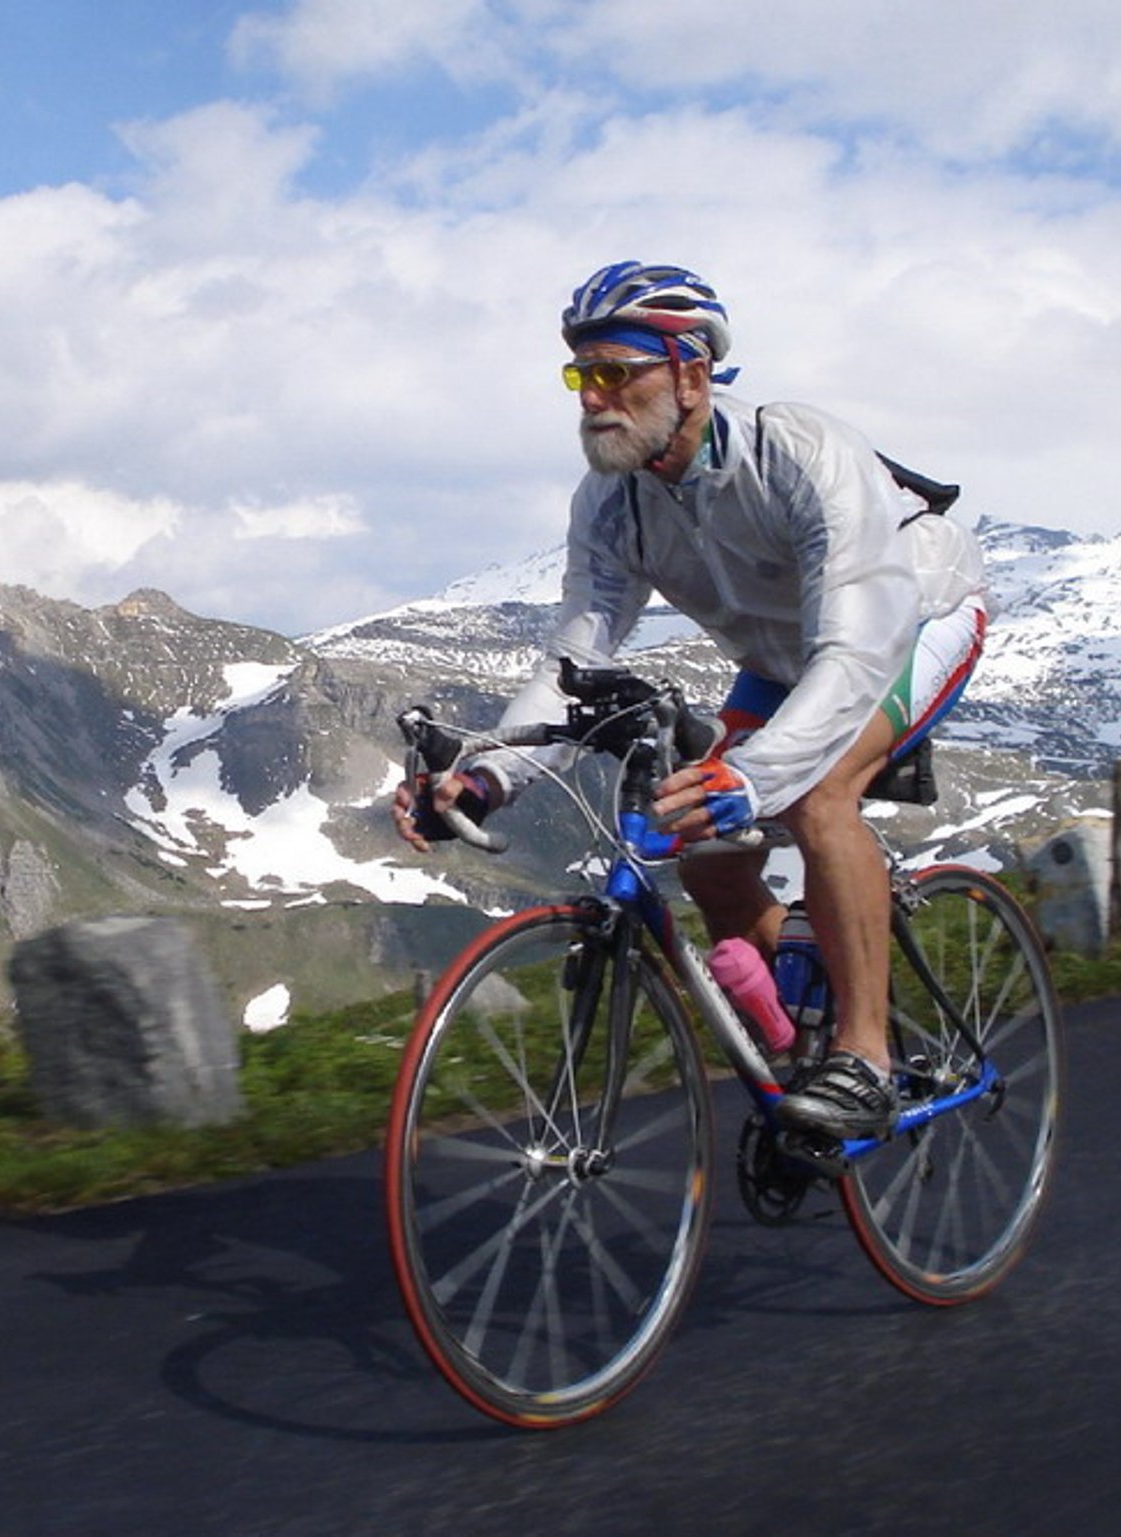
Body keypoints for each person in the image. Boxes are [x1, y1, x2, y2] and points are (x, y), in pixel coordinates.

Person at [392, 260, 988, 1140]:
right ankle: (802, 1021)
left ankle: (866, 1057)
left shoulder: (801, 452)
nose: (593, 399)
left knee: (821, 798)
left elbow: (857, 649)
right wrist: (488, 778)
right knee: (701, 847)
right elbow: (576, 660)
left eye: (614, 374)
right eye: (579, 377)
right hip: (784, 659)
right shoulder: (610, 501)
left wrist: (752, 777)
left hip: (909, 622)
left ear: (692, 375)